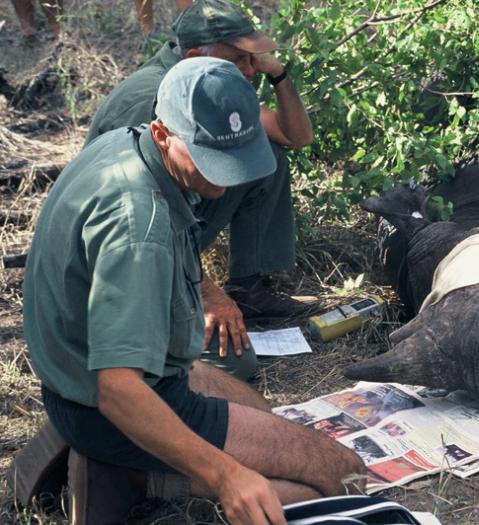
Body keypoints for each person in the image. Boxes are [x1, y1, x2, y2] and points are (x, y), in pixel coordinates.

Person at [23, 56, 365, 525]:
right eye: (208, 160)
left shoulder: (126, 145)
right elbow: (119, 390)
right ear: (163, 133)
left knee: (264, 412)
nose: (223, 181)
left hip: (96, 375)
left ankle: (130, 465)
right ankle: (132, 475)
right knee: (340, 474)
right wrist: (227, 478)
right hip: (105, 405)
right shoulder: (138, 228)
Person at [86, 0, 315, 379]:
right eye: (239, 59)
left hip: (171, 223)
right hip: (131, 250)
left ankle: (249, 287)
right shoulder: (147, 99)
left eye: (250, 59)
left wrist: (278, 74)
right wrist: (205, 292)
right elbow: (144, 214)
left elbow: (296, 136)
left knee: (265, 156)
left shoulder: (207, 79)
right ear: (195, 54)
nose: (248, 70)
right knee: (236, 364)